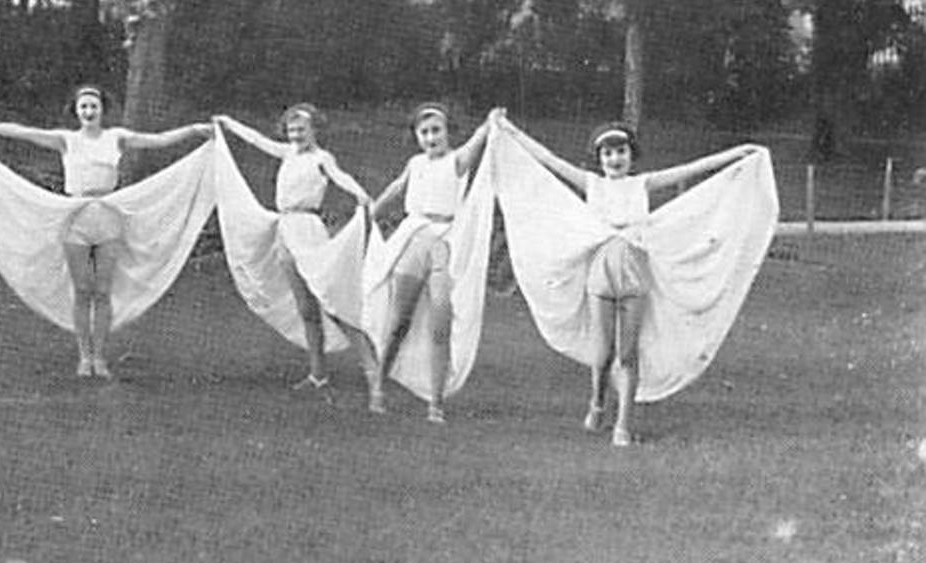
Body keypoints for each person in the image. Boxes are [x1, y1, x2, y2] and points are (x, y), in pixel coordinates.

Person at [498, 117, 765, 446]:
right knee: (602, 352)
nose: (615, 159)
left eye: (621, 151)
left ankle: (622, 423)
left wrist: (738, 153)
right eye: (607, 153)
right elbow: (549, 161)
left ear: (631, 154)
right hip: (601, 271)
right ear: (599, 158)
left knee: (627, 351)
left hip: (635, 271)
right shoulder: (592, 184)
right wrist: (510, 132)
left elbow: (691, 169)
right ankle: (597, 401)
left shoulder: (643, 184)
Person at [0, 85, 212, 378]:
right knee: (82, 290)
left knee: (103, 291)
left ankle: (99, 356)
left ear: (102, 109)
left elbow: (158, 140)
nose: (89, 112)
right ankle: (83, 355)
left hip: (107, 216)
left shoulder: (116, 138)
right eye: (84, 107)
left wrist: (193, 130)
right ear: (76, 111)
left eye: (94, 106)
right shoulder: (66, 140)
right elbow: (22, 131)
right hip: (76, 219)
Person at [214, 106, 384, 411]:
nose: (296, 135)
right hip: (285, 228)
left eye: (301, 130)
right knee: (306, 308)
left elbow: (340, 177)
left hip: (308, 229)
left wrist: (361, 196)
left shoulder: (322, 158)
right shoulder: (286, 153)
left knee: (331, 304)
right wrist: (229, 123)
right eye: (291, 130)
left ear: (313, 130)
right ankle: (317, 373)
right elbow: (255, 140)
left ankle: (374, 375)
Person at [368, 104, 501, 423]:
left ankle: (436, 402)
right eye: (424, 132)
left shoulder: (456, 161)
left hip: (444, 242)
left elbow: (476, 144)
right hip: (413, 239)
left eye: (436, 130)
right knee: (399, 320)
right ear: (417, 136)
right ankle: (378, 386)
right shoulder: (415, 163)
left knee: (441, 323)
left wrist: (489, 122)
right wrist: (371, 211)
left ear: (447, 132)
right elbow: (396, 189)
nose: (431, 138)